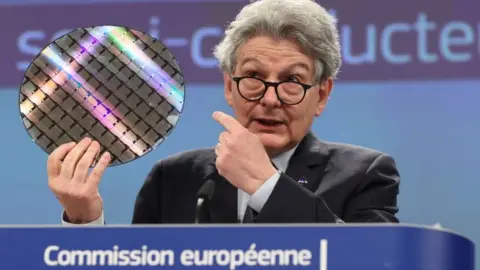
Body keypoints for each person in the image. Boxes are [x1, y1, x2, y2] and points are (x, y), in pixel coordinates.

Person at [47, 0, 400, 225]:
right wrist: (84, 221)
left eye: (292, 80)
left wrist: (267, 185)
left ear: (321, 94)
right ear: (229, 87)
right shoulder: (173, 179)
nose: (271, 99)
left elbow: (369, 260)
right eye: (253, 77)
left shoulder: (365, 175)